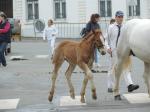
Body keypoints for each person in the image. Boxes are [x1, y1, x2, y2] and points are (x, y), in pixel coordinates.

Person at [105, 11, 139, 93]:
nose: (120, 18)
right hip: (113, 51)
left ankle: (130, 85)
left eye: (122, 17)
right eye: (119, 17)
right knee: (112, 69)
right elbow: (106, 39)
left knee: (125, 68)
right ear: (116, 17)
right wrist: (107, 48)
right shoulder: (110, 27)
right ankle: (110, 86)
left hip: (123, 51)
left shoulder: (125, 27)